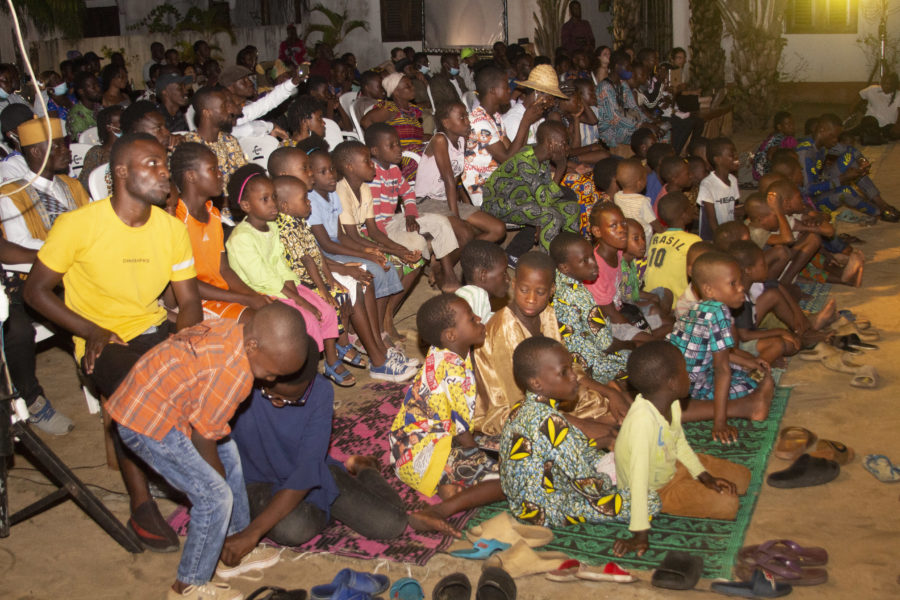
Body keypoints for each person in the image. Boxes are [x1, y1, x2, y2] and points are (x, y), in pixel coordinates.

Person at [24, 133, 203, 551]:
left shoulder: (170, 228)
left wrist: (183, 342)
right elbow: (35, 291)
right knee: (138, 386)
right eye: (152, 164)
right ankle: (141, 505)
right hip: (101, 340)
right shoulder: (78, 226)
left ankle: (208, 478)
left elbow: (190, 301)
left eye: (165, 164)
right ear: (121, 172)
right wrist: (89, 330)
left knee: (218, 366)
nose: (165, 172)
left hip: (155, 329)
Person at [109, 304, 308, 599]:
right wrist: (215, 482)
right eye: (271, 372)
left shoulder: (232, 332)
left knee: (229, 453)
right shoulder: (234, 375)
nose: (270, 380)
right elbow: (203, 438)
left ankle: (233, 542)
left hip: (163, 401)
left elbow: (209, 426)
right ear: (253, 346)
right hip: (147, 422)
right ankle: (188, 585)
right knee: (214, 498)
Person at [232, 351, 457, 552]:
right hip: (258, 480)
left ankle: (365, 468)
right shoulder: (238, 383)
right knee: (295, 529)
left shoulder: (319, 391)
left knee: (391, 524)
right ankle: (316, 509)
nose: (279, 403)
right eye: (271, 395)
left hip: (311, 475)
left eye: (293, 399)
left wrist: (254, 532)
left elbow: (307, 471)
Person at [272, 173, 415, 383]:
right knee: (353, 286)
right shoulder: (286, 228)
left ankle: (378, 347)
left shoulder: (298, 221)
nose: (308, 202)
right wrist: (330, 282)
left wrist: (340, 270)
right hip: (305, 280)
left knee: (363, 278)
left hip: (320, 272)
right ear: (286, 205)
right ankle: (377, 360)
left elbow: (316, 255)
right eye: (304, 199)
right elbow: (309, 262)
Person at [612, 341, 751, 557]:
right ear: (672, 383)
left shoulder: (671, 403)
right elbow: (638, 481)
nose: (689, 377)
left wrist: (705, 477)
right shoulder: (642, 424)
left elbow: (679, 443)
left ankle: (696, 480)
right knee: (728, 504)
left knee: (742, 477)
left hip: (671, 463)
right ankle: (687, 490)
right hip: (656, 489)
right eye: (685, 371)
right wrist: (640, 534)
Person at [474, 251, 624, 442]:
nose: (531, 299)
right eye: (524, 290)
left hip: (552, 393)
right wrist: (584, 425)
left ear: (552, 290)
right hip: (515, 409)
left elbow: (568, 368)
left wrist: (610, 393)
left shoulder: (548, 314)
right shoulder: (504, 330)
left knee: (617, 410)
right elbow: (523, 404)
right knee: (607, 431)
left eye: (540, 292)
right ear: (514, 284)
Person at [225, 166, 354, 387]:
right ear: (246, 206)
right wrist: (300, 301)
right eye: (265, 199)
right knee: (308, 320)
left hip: (284, 286)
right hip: (263, 293)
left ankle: (331, 361)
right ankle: (308, 374)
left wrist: (296, 290)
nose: (273, 204)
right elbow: (263, 278)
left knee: (327, 310)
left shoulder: (272, 227)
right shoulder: (241, 238)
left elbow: (280, 263)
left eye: (273, 197)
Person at [500, 337, 623, 527]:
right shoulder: (551, 421)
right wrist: (611, 479)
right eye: (564, 372)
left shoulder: (519, 409)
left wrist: (601, 446)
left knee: (598, 458)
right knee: (648, 501)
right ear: (537, 383)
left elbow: (570, 449)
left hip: (523, 505)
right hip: (550, 510)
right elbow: (588, 485)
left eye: (572, 368)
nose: (574, 376)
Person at [390, 293, 502, 500]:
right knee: (505, 477)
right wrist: (477, 456)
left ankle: (449, 484)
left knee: (506, 442)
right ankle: (447, 485)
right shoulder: (452, 373)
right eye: (472, 319)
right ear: (451, 335)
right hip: (422, 456)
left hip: (417, 444)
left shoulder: (442, 351)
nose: (479, 318)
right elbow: (460, 430)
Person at [665, 251, 775, 443]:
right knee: (752, 380)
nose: (741, 288)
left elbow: (718, 352)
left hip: (674, 376)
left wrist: (748, 361)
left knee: (748, 368)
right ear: (709, 290)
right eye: (733, 283)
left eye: (739, 282)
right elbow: (722, 370)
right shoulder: (719, 311)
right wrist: (720, 422)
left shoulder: (698, 308)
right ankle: (750, 404)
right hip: (692, 387)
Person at [332, 141, 424, 340]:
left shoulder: (364, 188)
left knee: (415, 262)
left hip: (361, 238)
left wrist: (402, 249)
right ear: (350, 167)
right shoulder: (342, 190)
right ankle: (375, 327)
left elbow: (373, 231)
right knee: (389, 265)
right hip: (349, 242)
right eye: (367, 161)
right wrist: (393, 252)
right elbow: (352, 236)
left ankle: (385, 318)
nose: (372, 165)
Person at [171, 143, 272, 324]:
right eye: (213, 169)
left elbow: (224, 270)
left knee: (275, 312)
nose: (220, 174)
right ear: (191, 176)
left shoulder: (213, 214)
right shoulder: (176, 218)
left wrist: (254, 296)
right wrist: (245, 299)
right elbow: (188, 284)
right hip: (196, 301)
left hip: (223, 294)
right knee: (263, 323)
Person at [365, 123, 461, 291]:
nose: (398, 149)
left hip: (391, 220)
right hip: (378, 230)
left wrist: (410, 215)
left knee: (442, 222)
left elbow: (408, 192)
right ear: (375, 151)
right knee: (417, 241)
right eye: (391, 146)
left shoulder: (393, 169)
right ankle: (399, 292)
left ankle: (448, 274)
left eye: (398, 144)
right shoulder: (372, 177)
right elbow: (376, 225)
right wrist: (390, 244)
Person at [481, 121, 581, 254]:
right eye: (564, 143)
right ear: (550, 143)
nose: (567, 148)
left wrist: (539, 214)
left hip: (524, 200)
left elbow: (544, 194)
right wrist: (561, 168)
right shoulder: (525, 160)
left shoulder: (541, 155)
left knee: (572, 209)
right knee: (551, 216)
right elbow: (545, 200)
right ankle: (547, 262)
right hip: (498, 204)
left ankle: (570, 254)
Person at [415, 101, 506, 244]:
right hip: (426, 201)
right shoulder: (440, 140)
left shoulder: (462, 141)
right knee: (464, 232)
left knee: (498, 229)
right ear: (446, 123)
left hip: (446, 200)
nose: (467, 122)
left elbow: (457, 178)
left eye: (467, 116)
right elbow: (449, 181)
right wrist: (457, 217)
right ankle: (457, 253)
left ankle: (464, 252)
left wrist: (462, 205)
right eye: (462, 117)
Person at [550, 231, 630, 384]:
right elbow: (606, 344)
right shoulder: (580, 296)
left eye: (592, 256)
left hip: (569, 357)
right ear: (565, 267)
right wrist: (631, 344)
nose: (594, 263)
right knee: (640, 359)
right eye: (584, 261)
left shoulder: (556, 282)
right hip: (590, 367)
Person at [796, 113, 899, 222]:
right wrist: (842, 179)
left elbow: (849, 150)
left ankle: (882, 204)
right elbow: (807, 190)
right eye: (833, 136)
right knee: (845, 192)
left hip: (820, 183)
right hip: (809, 202)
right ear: (822, 130)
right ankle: (879, 213)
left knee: (851, 161)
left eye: (837, 137)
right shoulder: (805, 153)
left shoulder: (822, 143)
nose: (835, 140)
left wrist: (862, 160)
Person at [586, 203, 665, 343]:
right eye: (613, 226)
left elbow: (625, 291)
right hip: (607, 324)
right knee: (652, 343)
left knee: (663, 324)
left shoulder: (618, 253)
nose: (622, 230)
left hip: (620, 310)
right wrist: (639, 330)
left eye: (623, 223)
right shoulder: (596, 270)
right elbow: (611, 315)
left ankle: (656, 332)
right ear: (597, 231)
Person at [462, 66, 540, 208]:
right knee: (542, 202)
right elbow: (506, 159)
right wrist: (525, 122)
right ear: (492, 90)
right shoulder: (479, 122)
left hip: (501, 180)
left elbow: (514, 152)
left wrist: (527, 123)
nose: (510, 90)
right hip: (487, 190)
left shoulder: (495, 117)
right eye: (506, 87)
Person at [727, 241, 801, 365]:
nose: (766, 267)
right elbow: (744, 336)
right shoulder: (740, 298)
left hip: (741, 341)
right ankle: (758, 366)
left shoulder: (747, 288)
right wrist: (780, 331)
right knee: (782, 344)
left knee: (790, 342)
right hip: (737, 347)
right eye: (763, 265)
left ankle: (764, 358)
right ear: (748, 270)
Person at [183, 87, 247, 199]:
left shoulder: (229, 141)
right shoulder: (188, 146)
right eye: (224, 107)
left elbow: (243, 178)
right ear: (207, 113)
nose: (230, 111)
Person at [360, 73, 424, 180]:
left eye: (411, 84)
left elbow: (411, 136)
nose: (413, 88)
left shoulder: (413, 111)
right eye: (408, 86)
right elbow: (365, 121)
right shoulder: (391, 109)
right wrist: (384, 147)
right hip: (404, 157)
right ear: (396, 92)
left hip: (416, 152)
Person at [643, 193, 701, 307]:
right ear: (684, 215)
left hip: (650, 297)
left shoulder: (656, 237)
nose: (693, 209)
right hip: (676, 302)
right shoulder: (693, 240)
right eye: (690, 206)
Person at [455, 240, 509, 324]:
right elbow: (477, 329)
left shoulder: (465, 293)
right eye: (504, 272)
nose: (508, 279)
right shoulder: (477, 295)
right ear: (483, 275)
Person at [696, 137, 739, 241]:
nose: (736, 157)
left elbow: (733, 210)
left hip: (728, 232)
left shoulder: (733, 180)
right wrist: (722, 239)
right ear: (717, 160)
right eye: (731, 155)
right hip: (711, 237)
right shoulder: (707, 184)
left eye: (735, 154)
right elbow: (711, 219)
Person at [613, 157, 662, 245]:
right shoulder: (642, 201)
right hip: (643, 239)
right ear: (640, 183)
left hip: (627, 237)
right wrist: (662, 230)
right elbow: (653, 222)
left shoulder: (617, 196)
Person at [79, 106, 122, 190]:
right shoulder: (96, 153)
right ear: (110, 127)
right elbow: (85, 185)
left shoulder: (128, 150)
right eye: (122, 121)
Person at [853, 72, 900, 143]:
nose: (885, 86)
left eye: (889, 84)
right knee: (868, 121)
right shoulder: (872, 89)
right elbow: (858, 98)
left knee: (894, 134)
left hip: (888, 125)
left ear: (894, 85)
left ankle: (874, 137)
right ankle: (877, 137)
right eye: (883, 83)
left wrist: (897, 125)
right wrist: (851, 112)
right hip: (872, 122)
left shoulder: (899, 95)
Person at [752, 111, 798, 181]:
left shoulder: (782, 137)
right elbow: (770, 155)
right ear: (779, 127)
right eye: (788, 124)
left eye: (792, 123)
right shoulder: (778, 138)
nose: (792, 126)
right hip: (765, 172)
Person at [67, 71, 103, 139]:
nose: (98, 89)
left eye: (98, 85)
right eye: (93, 87)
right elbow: (82, 142)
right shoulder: (76, 116)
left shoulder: (98, 107)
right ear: (81, 91)